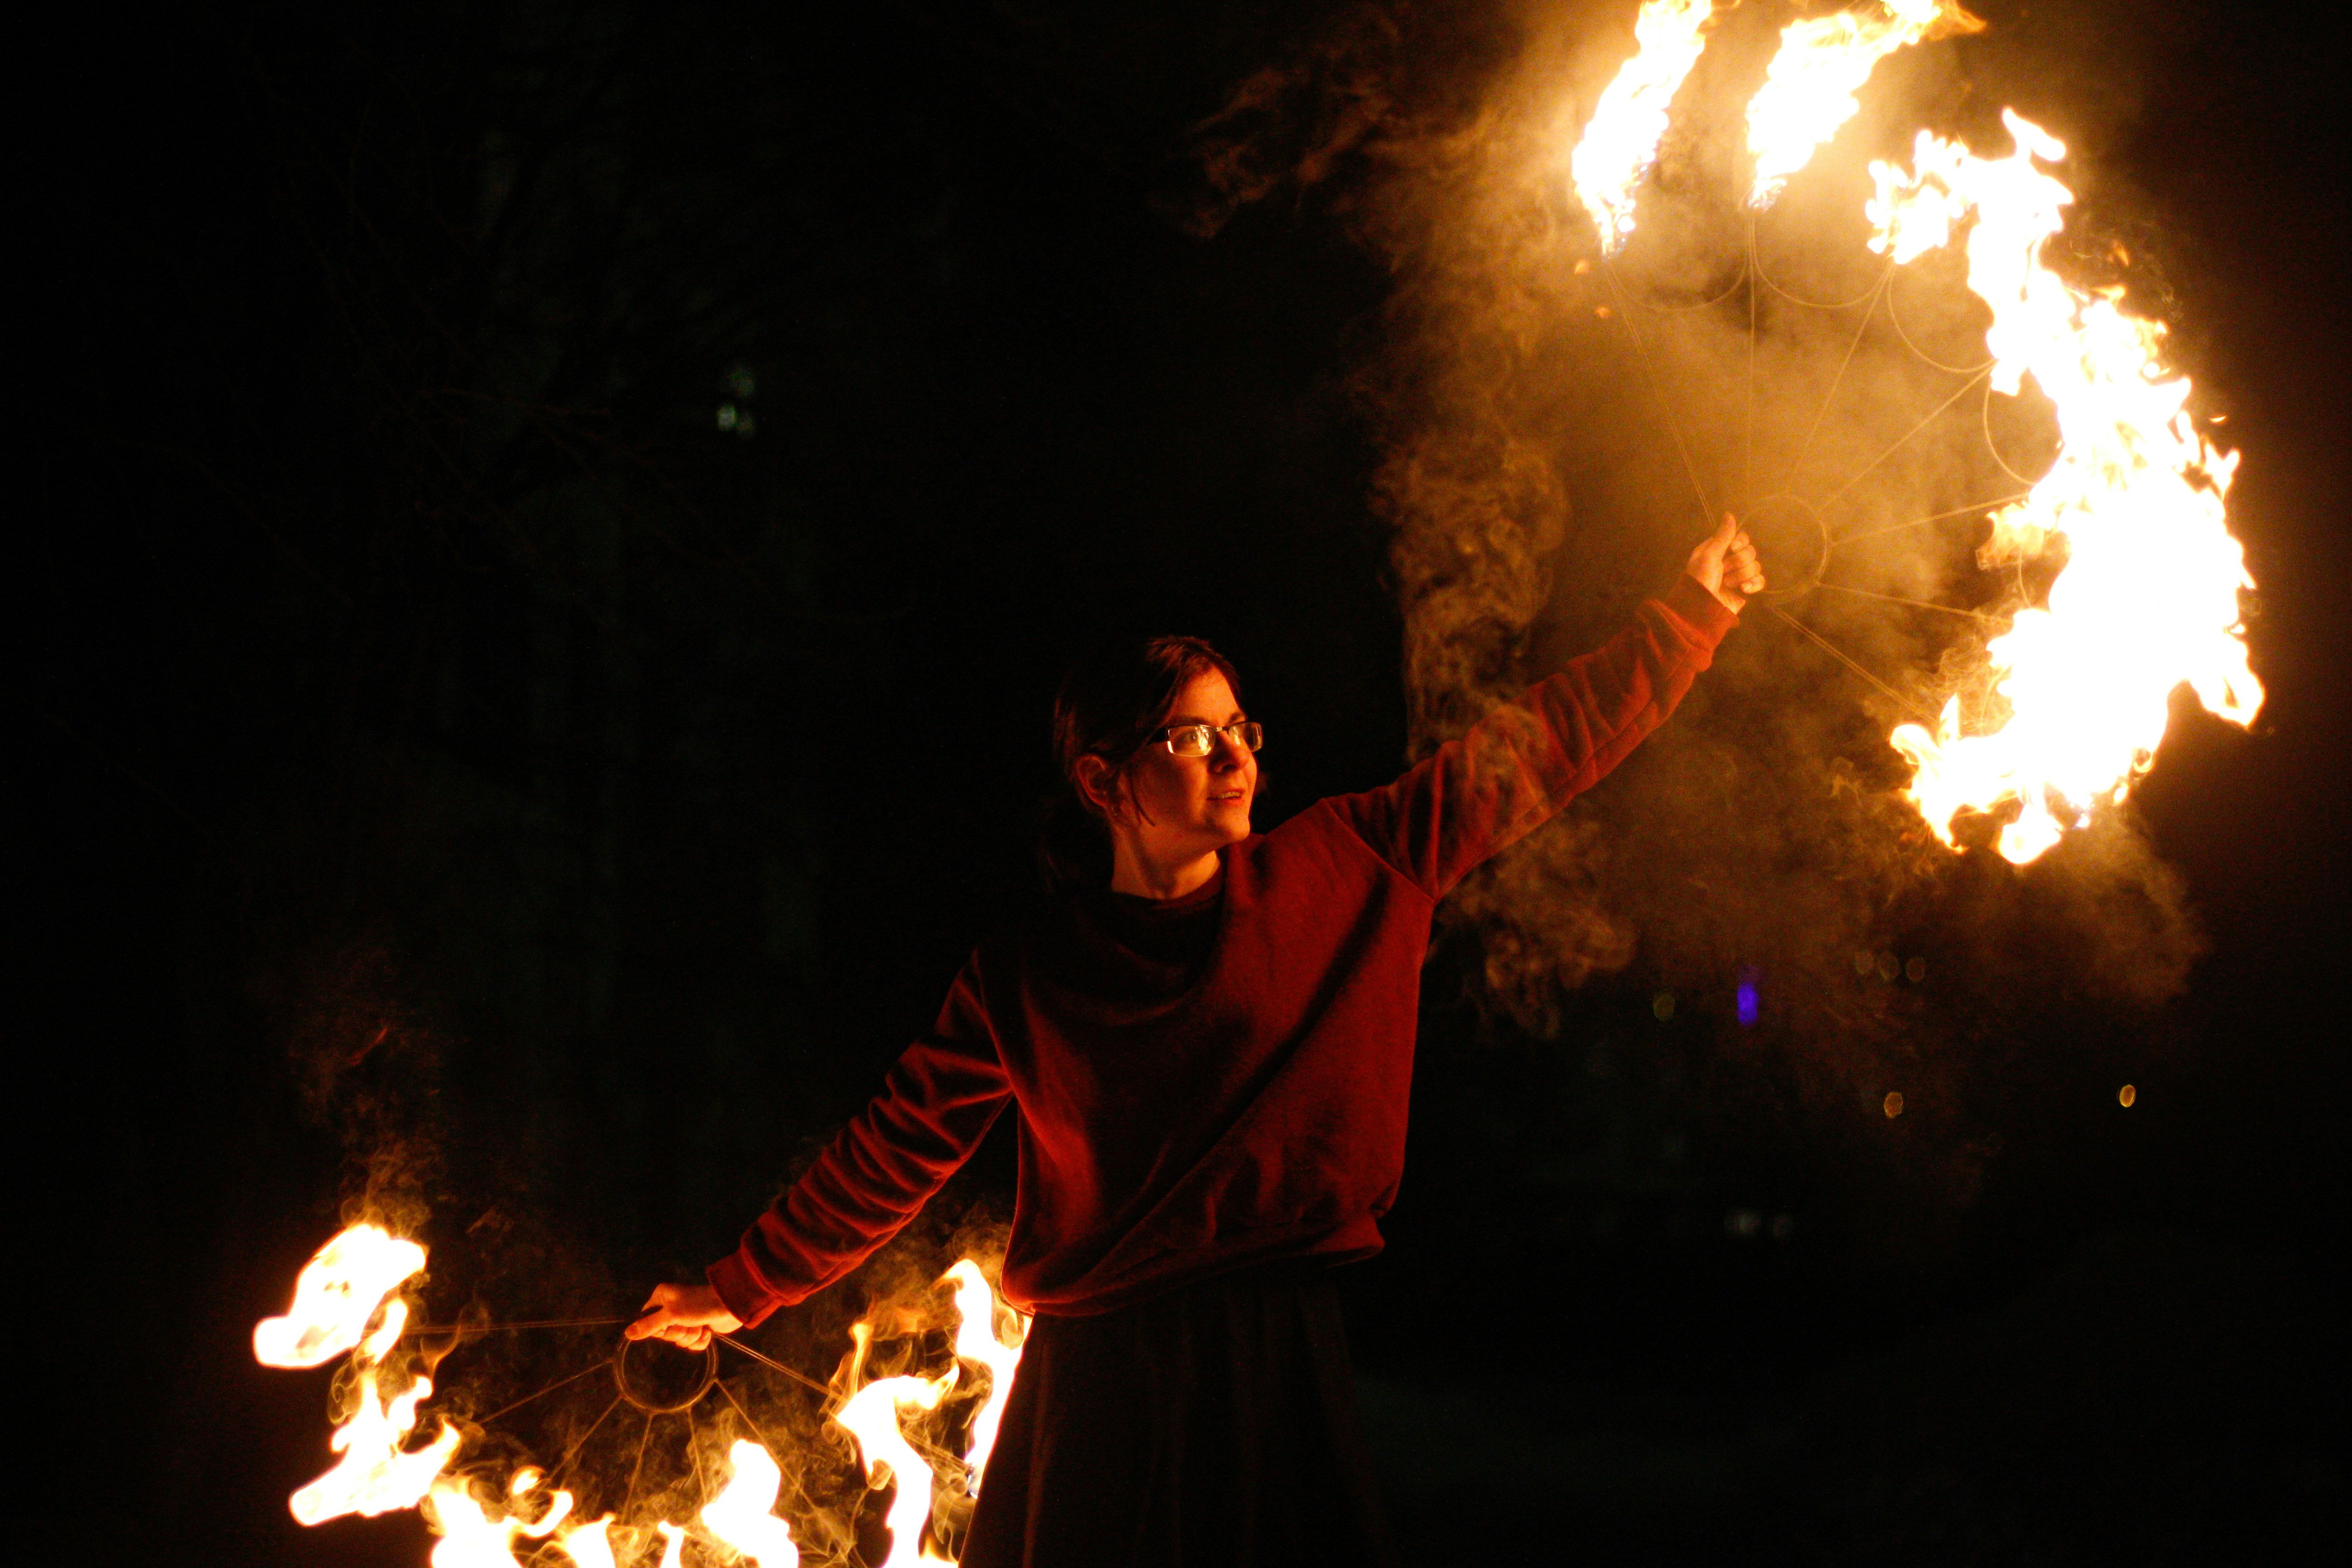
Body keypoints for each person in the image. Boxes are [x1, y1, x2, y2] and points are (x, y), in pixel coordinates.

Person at [630, 515, 1764, 1565]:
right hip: (1098, 1388)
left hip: (1274, 1363)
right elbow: (896, 1146)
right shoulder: (1031, 973)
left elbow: (1536, 753)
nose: (1234, 758)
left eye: (1240, 729)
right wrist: (740, 1288)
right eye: (1191, 735)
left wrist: (1689, 616)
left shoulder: (1348, 866)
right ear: (1102, 781)